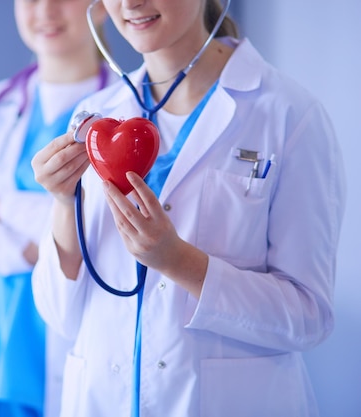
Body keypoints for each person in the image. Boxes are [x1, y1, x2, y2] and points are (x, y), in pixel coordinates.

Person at [30, 0, 347, 416]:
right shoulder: (96, 119)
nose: (130, 4)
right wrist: (62, 201)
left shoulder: (289, 115)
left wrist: (178, 261)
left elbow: (309, 316)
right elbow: (59, 315)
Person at [0, 1, 117, 416]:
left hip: (80, 335)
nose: (45, 10)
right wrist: (42, 244)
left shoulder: (123, 115)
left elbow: (109, 230)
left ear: (101, 7)